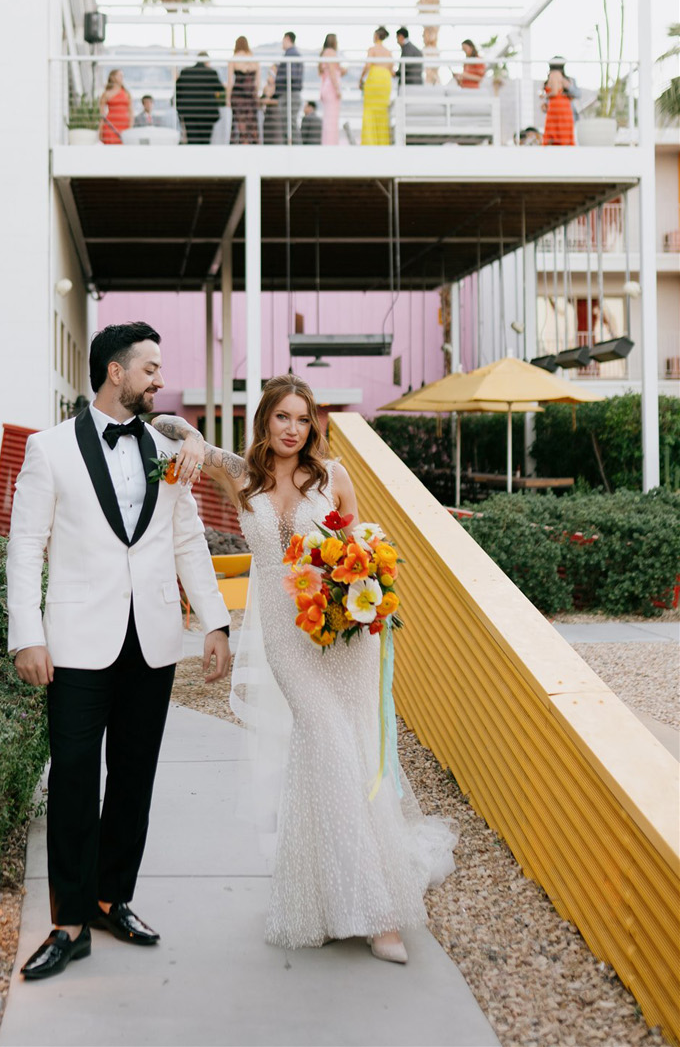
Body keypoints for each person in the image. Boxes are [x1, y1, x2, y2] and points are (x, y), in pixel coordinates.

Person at [150, 377, 456, 960]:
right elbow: (163, 424)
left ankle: (337, 896)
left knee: (346, 756)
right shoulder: (242, 475)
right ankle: (377, 914)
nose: (292, 429)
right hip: (289, 645)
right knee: (331, 746)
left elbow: (361, 546)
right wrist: (190, 435)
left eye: (302, 419)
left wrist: (370, 595)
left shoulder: (333, 476)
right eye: (282, 417)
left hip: (343, 640)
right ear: (265, 421)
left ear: (313, 425)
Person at [8, 323, 232, 980]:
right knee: (76, 778)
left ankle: (112, 898)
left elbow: (187, 538)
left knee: (134, 777)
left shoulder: (170, 447)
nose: (161, 380)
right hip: (77, 642)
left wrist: (215, 623)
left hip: (154, 638)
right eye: (151, 369)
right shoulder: (49, 451)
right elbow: (25, 547)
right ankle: (69, 922)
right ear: (115, 372)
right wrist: (28, 634)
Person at [175, 53, 225, 144]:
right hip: (207, 114)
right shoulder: (211, 72)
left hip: (189, 113)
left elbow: (178, 90)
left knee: (192, 140)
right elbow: (220, 89)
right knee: (205, 141)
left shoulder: (185, 72)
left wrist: (180, 109)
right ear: (206, 61)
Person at [264, 32, 304, 144]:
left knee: (290, 125)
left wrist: (275, 79)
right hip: (290, 94)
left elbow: (292, 76)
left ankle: (296, 149)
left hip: (290, 94)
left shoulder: (291, 54)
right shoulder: (292, 54)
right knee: (289, 125)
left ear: (287, 38)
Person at [360, 27, 394, 145]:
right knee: (383, 111)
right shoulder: (389, 52)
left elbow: (368, 65)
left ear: (376, 36)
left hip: (374, 79)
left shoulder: (372, 49)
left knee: (369, 110)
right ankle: (382, 142)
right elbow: (392, 70)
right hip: (385, 80)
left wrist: (361, 79)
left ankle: (369, 142)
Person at [227, 36, 260, 144]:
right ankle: (252, 146)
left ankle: (242, 143)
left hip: (238, 95)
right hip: (251, 95)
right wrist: (256, 95)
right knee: (252, 122)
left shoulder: (234, 59)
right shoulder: (254, 59)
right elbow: (257, 82)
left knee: (240, 122)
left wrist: (227, 98)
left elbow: (230, 81)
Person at [541, 58, 577, 145]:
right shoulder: (563, 77)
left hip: (556, 105)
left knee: (554, 130)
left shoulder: (553, 74)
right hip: (565, 106)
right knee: (563, 131)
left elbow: (554, 91)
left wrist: (545, 96)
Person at [318, 34, 342, 145]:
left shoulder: (323, 53)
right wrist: (337, 89)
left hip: (325, 86)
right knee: (332, 119)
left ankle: (327, 142)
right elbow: (332, 71)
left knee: (328, 118)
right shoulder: (331, 53)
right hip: (331, 87)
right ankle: (331, 143)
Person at [99, 70, 132, 144]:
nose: (122, 78)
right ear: (113, 77)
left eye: (122, 76)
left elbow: (131, 112)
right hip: (110, 126)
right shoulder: (106, 94)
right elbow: (102, 114)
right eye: (119, 75)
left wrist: (130, 128)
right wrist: (100, 130)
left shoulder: (126, 93)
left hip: (124, 126)